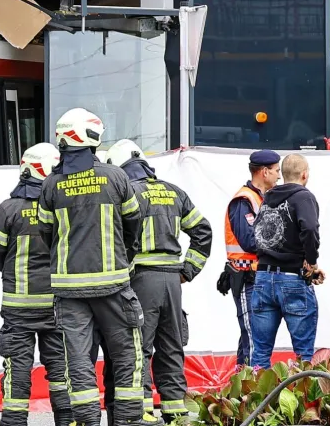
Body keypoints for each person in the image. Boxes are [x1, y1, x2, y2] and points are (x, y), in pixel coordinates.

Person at [37, 108, 145, 426]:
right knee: (126, 353)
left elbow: (46, 234)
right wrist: (123, 258)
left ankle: (86, 420)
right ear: (93, 139)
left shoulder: (51, 185)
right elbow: (133, 224)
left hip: (70, 291)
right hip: (113, 287)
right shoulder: (116, 177)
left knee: (78, 358)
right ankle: (125, 420)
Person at [107, 139, 212, 423]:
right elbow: (203, 232)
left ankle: (140, 410)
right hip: (172, 282)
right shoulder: (174, 192)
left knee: (138, 345)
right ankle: (176, 412)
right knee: (171, 345)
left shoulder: (126, 195)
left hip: (141, 281)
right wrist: (187, 270)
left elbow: (118, 242)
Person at [0, 143, 70, 426]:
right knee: (61, 368)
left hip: (18, 307)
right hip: (56, 306)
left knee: (17, 367)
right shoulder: (62, 206)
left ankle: (13, 422)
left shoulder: (8, 210)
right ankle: (67, 420)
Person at [250, 154, 323, 368]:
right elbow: (309, 228)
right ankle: (299, 399)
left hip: (263, 278)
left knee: (261, 352)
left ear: (283, 175)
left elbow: (258, 234)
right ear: (304, 174)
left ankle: (256, 400)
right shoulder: (303, 197)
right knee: (303, 355)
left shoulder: (268, 197)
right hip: (293, 280)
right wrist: (311, 261)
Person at [217, 150, 280, 369]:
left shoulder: (261, 199)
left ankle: (242, 388)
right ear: (264, 172)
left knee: (251, 335)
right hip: (246, 278)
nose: (279, 176)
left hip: (258, 277)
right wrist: (280, 240)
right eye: (276, 171)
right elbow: (249, 241)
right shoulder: (243, 200)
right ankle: (256, 391)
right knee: (254, 336)